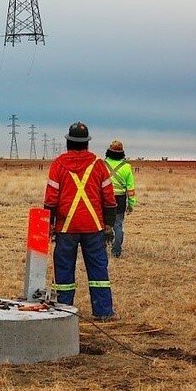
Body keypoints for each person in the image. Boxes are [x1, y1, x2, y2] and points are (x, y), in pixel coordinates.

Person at [44, 122, 118, 321]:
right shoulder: (99, 165)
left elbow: (51, 199)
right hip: (93, 227)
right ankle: (103, 312)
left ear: (68, 142)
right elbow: (109, 199)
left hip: (65, 227)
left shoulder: (58, 165)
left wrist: (49, 226)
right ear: (86, 143)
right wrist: (109, 224)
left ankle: (63, 310)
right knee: (98, 270)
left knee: (64, 270)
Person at [105, 140, 136, 258]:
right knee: (118, 225)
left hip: (105, 199)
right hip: (120, 200)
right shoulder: (127, 167)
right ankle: (116, 251)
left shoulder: (102, 164)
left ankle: (102, 249)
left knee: (103, 223)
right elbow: (130, 188)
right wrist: (131, 204)